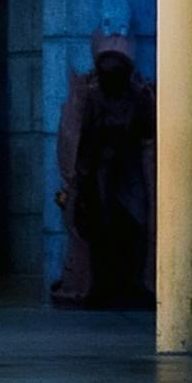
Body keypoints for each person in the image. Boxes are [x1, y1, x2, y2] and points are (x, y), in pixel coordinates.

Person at [55, 39, 153, 310]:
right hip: (110, 175)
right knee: (119, 229)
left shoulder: (96, 98)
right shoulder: (126, 97)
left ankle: (109, 283)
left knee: (114, 230)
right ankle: (114, 283)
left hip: (109, 174)